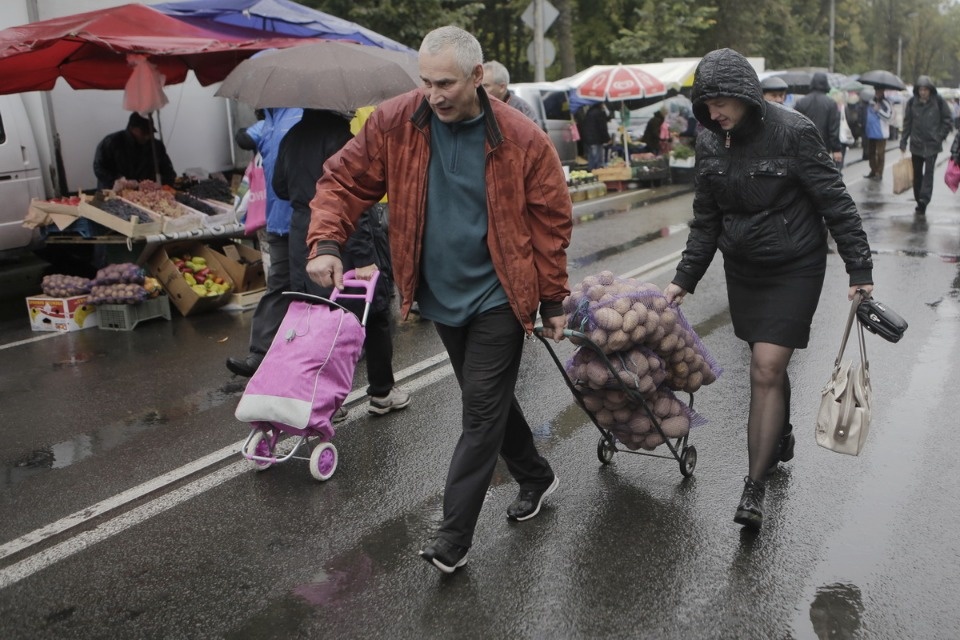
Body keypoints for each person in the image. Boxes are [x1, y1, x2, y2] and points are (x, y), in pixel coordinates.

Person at [305, 25, 572, 573]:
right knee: (487, 398)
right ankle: (536, 474)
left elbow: (550, 224)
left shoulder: (521, 139)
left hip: (500, 294)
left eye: (445, 83)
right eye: (425, 82)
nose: (434, 95)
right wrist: (327, 242)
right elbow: (343, 181)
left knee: (479, 410)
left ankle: (453, 536)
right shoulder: (395, 122)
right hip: (439, 295)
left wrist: (551, 301)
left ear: (477, 76)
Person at [662, 48, 874, 531]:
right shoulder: (709, 141)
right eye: (706, 103)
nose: (714, 112)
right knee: (767, 365)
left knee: (766, 366)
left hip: (794, 266)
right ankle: (780, 434)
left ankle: (753, 486)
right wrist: (683, 280)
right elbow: (706, 220)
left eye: (721, 102)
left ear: (744, 95)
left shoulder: (793, 132)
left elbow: (835, 201)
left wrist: (859, 268)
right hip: (744, 269)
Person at [273, 108, 409, 418]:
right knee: (372, 314)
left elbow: (280, 188)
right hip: (344, 237)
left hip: (303, 236)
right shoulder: (342, 138)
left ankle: (321, 401)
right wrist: (365, 259)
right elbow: (355, 200)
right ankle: (382, 392)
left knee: (316, 320)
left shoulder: (291, 137)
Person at [225, 107, 303, 378]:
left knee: (314, 289)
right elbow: (245, 137)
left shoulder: (301, 113)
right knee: (278, 287)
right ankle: (259, 354)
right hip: (278, 222)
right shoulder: (269, 120)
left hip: (308, 220)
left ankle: (333, 348)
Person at [899, 76, 952, 215]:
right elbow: (907, 122)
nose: (923, 92)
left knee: (928, 174)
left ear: (930, 90)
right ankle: (919, 199)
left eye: (925, 89)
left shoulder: (938, 101)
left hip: (932, 145)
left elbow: (947, 120)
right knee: (917, 175)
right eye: (920, 89)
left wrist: (940, 136)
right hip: (916, 144)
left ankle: (924, 199)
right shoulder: (912, 102)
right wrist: (903, 141)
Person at [93, 112, 176, 189]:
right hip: (113, 192)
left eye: (149, 132)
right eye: (144, 132)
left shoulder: (156, 146)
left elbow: (168, 172)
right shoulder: (112, 142)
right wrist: (116, 179)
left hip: (145, 195)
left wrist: (160, 184)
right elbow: (99, 167)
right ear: (132, 128)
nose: (147, 136)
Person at [795, 72, 843, 168]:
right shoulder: (831, 103)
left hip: (804, 146)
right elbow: (833, 128)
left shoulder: (801, 102)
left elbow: (795, 125)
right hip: (823, 147)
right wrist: (836, 149)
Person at [480, 61, 543, 129]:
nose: (480, 90)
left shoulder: (522, 110)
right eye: (479, 86)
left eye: (485, 86)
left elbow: (534, 134)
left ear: (502, 87)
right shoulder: (476, 107)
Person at [860, 87, 891, 180]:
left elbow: (888, 117)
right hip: (870, 132)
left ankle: (879, 173)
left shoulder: (886, 103)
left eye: (879, 90)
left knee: (880, 154)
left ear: (883, 91)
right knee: (871, 153)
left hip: (881, 133)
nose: (877, 92)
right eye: (876, 90)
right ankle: (873, 171)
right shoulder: (870, 101)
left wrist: (879, 110)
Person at [581, 102, 611, 169]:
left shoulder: (589, 112)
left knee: (591, 158)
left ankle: (591, 172)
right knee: (597, 160)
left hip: (588, 139)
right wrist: (608, 139)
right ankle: (597, 172)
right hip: (596, 139)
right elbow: (602, 128)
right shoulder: (599, 113)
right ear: (601, 104)